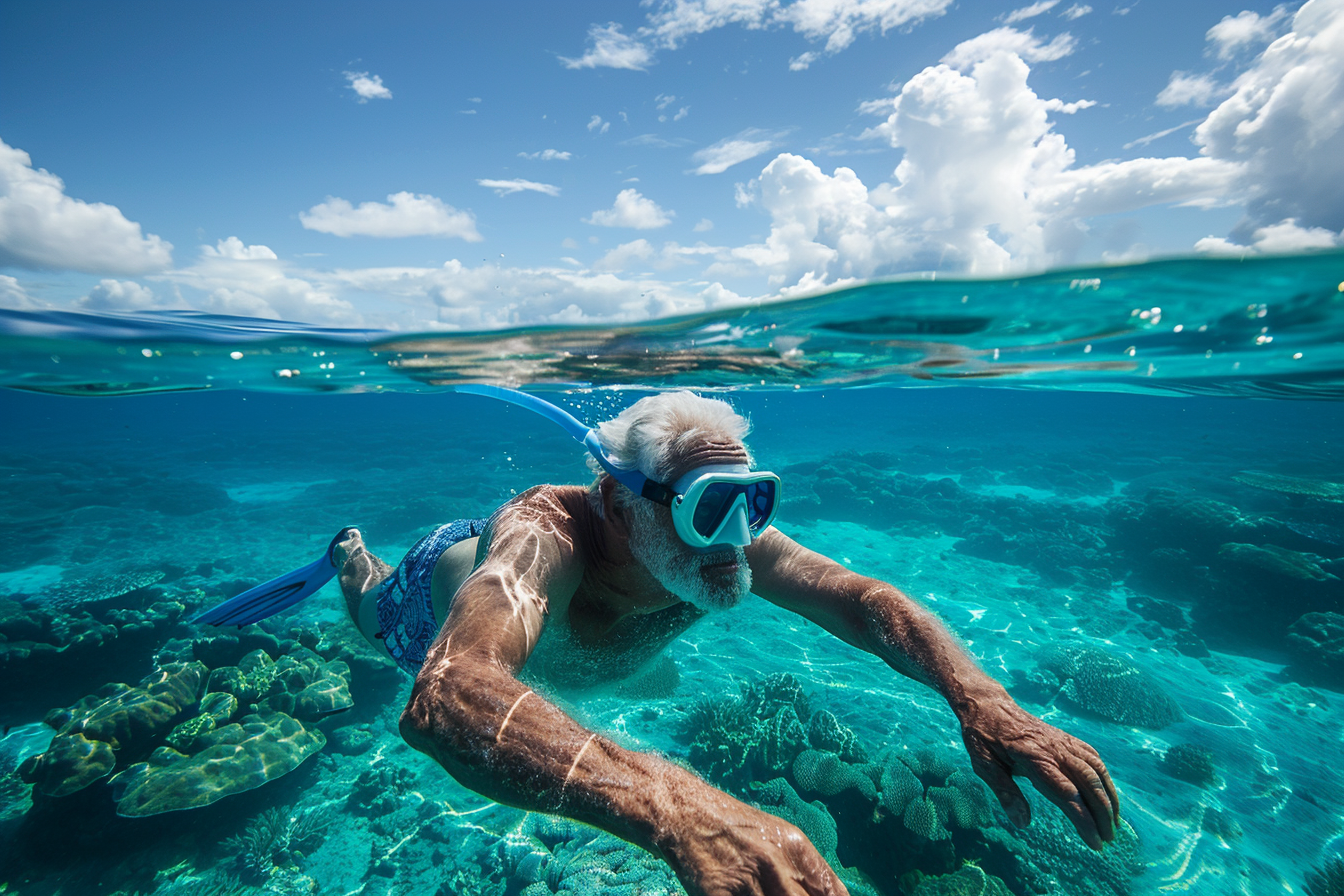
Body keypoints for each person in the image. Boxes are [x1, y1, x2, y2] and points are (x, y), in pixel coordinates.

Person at [199, 386, 1119, 896]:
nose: (735, 539)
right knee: (367, 618)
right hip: (430, 600)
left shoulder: (721, 535)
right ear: (616, 501)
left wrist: (979, 697)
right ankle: (348, 555)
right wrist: (681, 808)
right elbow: (449, 695)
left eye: (752, 502)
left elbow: (860, 596)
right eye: (710, 508)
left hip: (567, 645)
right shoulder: (547, 533)